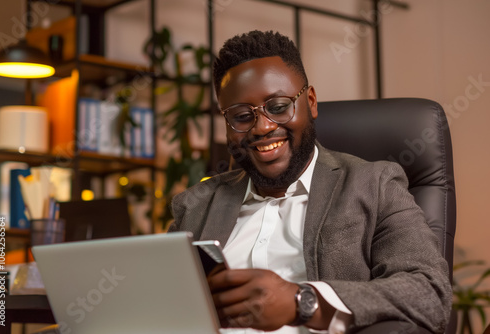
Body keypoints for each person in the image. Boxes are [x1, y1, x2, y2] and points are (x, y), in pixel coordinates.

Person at [168, 30, 451, 334]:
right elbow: (159, 301)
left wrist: (302, 301)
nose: (262, 128)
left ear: (311, 102)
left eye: (278, 107)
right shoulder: (195, 205)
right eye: (241, 116)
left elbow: (428, 292)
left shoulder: (375, 185)